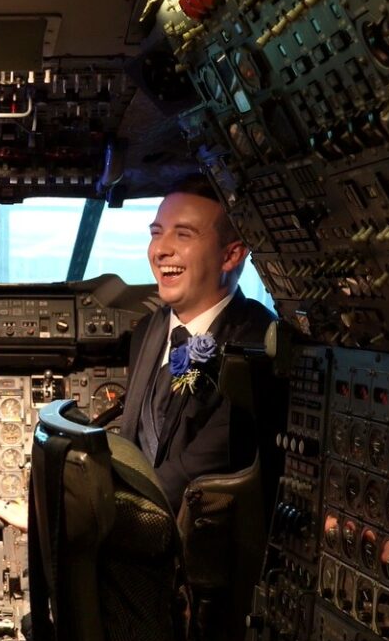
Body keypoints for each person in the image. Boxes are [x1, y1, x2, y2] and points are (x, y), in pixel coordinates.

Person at [115, 173, 276, 506]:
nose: (161, 250)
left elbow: (200, 467)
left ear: (231, 255)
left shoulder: (257, 344)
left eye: (183, 234)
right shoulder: (148, 330)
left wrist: (100, 509)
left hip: (198, 529)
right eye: (156, 233)